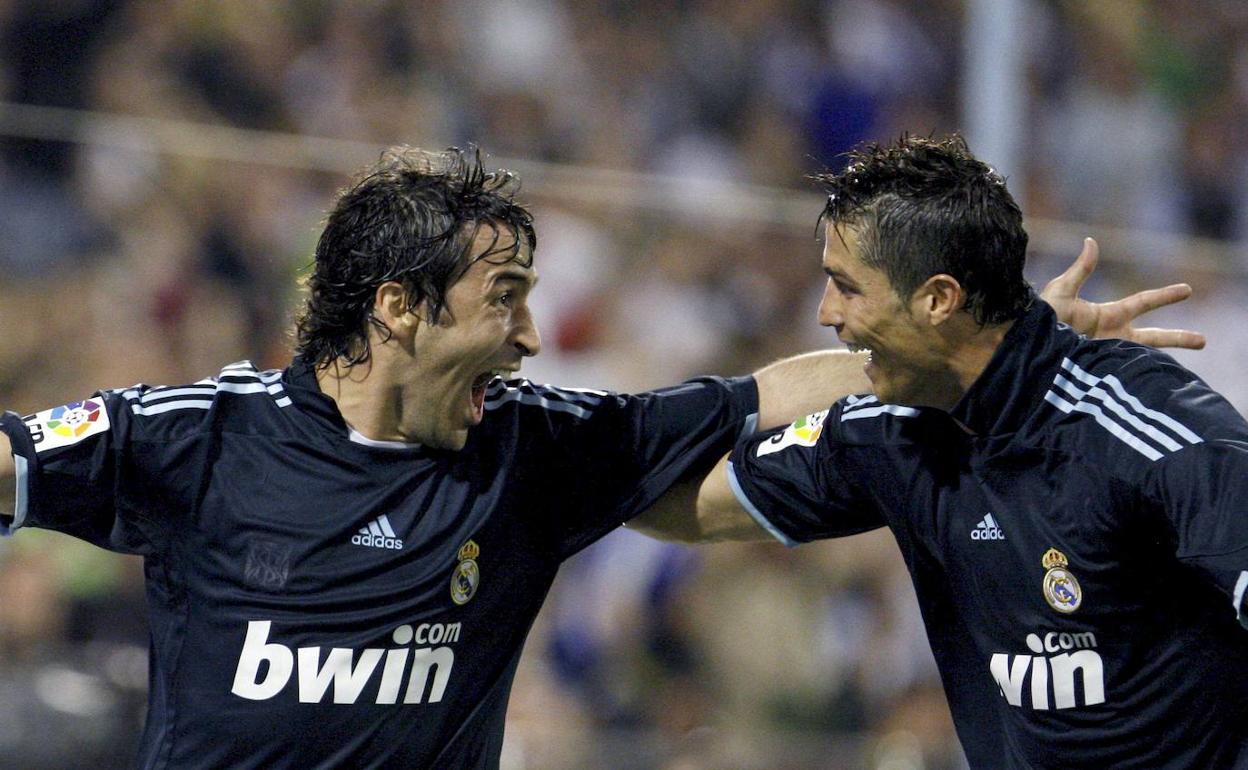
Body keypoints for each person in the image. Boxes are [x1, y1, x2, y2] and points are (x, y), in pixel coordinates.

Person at [0, 145, 1201, 769]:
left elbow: (754, 397)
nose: (529, 335)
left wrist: (989, 340)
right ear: (399, 308)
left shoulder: (535, 446)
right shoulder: (195, 434)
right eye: (504, 300)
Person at [691, 135, 1248, 768]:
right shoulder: (892, 430)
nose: (824, 314)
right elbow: (689, 506)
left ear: (937, 299)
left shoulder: (1135, 426)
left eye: (846, 287)